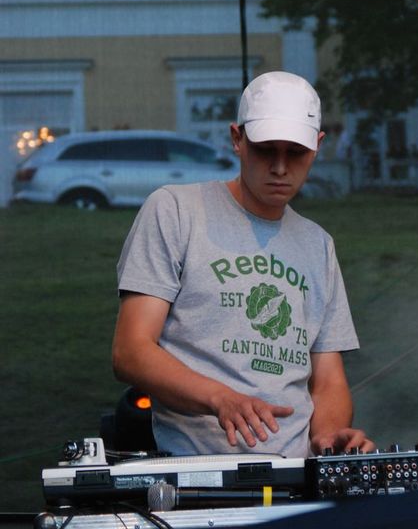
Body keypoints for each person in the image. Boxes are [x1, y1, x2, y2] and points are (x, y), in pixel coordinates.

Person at [112, 71, 374, 458]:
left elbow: (328, 381)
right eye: (266, 150)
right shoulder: (176, 210)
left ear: (317, 146)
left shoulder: (318, 244)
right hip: (197, 472)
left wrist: (329, 436)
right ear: (237, 139)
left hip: (295, 474)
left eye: (296, 152)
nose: (280, 167)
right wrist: (220, 398)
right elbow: (131, 351)